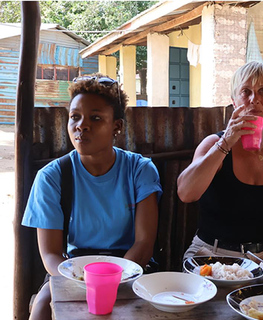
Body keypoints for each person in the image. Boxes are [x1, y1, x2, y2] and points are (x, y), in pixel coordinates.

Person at [22, 74, 162, 320]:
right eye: (75, 117)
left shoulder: (139, 170)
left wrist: (112, 280)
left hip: (131, 267)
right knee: (42, 305)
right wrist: (81, 281)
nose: (81, 125)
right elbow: (51, 254)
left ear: (117, 126)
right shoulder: (52, 177)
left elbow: (143, 244)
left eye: (95, 118)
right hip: (75, 269)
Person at [177, 61, 263, 260]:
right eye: (246, 91)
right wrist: (226, 142)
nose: (255, 99)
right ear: (234, 101)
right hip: (209, 252)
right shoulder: (214, 143)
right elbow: (186, 193)